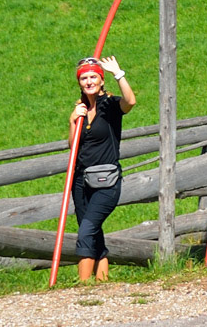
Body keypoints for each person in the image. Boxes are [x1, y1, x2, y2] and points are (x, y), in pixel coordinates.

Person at [69, 55, 136, 281]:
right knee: (92, 230)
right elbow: (73, 146)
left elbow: (130, 101)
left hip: (106, 180)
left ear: (101, 80)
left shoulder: (109, 106)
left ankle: (83, 285)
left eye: (93, 77)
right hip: (80, 180)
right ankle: (101, 282)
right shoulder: (79, 109)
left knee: (86, 230)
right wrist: (72, 122)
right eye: (84, 78)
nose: (89, 82)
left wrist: (119, 74)